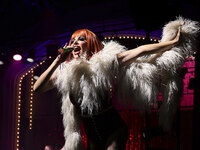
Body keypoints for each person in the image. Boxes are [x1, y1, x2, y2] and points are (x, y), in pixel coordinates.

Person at [34, 17, 199, 150]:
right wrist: (57, 61)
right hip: (91, 136)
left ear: (90, 43)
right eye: (73, 39)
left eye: (81, 39)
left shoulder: (105, 63)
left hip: (115, 129)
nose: (75, 42)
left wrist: (171, 43)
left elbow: (141, 51)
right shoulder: (65, 70)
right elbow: (38, 88)